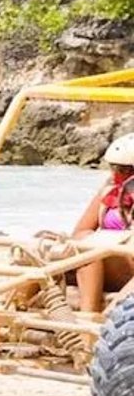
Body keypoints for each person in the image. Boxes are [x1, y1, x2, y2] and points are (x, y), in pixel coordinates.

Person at [74, 133, 134, 314]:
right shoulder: (108, 192)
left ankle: (98, 317)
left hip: (127, 260)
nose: (116, 174)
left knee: (90, 250)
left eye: (124, 170)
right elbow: (81, 231)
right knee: (36, 252)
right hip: (108, 256)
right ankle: (88, 314)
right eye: (114, 168)